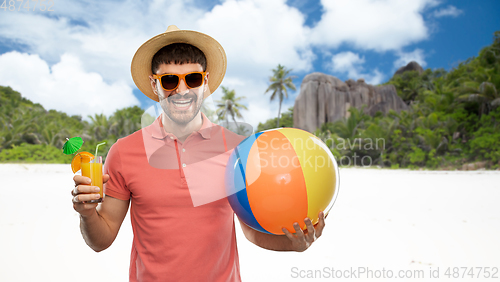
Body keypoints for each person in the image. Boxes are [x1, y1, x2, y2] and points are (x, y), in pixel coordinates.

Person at [71, 25, 326, 282]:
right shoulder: (124, 152)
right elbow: (101, 241)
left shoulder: (237, 150)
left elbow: (252, 232)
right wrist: (87, 213)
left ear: (205, 82)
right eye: (169, 80)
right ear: (154, 84)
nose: (182, 90)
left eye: (192, 79)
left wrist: (293, 244)